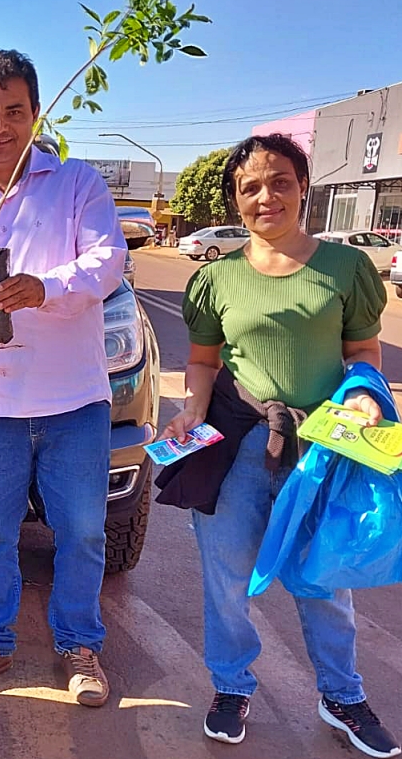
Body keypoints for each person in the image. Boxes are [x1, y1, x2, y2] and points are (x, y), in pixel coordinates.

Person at [158, 134, 400, 757]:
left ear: (302, 187)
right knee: (226, 578)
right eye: (251, 187)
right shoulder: (218, 278)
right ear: (236, 202)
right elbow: (205, 362)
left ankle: (341, 695)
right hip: (238, 445)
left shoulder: (345, 268)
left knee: (323, 579)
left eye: (280, 182)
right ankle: (232, 686)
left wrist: (365, 393)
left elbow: (362, 352)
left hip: (322, 453)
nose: (267, 196)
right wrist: (189, 408)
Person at [0, 50, 126, 706]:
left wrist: (45, 287)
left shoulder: (77, 184)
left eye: (15, 111)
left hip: (73, 402)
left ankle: (77, 646)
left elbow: (108, 263)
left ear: (35, 113)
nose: (1, 126)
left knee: (83, 532)